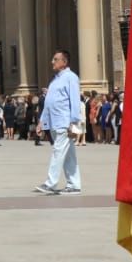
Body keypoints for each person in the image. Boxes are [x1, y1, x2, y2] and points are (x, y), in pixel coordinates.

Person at [34, 50, 83, 195]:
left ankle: (51, 183)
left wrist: (73, 121)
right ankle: (74, 184)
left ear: (64, 62)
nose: (52, 62)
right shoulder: (55, 80)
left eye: (55, 59)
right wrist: (41, 122)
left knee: (58, 151)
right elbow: (49, 103)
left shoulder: (71, 77)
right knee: (68, 155)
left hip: (64, 121)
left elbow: (75, 100)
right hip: (54, 122)